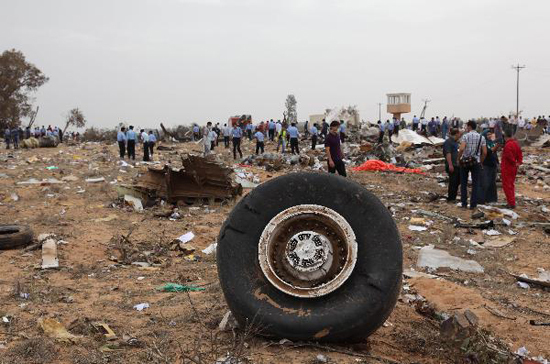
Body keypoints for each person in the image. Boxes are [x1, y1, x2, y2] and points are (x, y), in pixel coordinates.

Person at [458, 120, 487, 209]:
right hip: (476, 162)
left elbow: (462, 148)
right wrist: (480, 161)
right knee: (475, 184)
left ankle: (464, 204)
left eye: (467, 126)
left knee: (463, 183)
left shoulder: (465, 136)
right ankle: (473, 205)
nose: (466, 128)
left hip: (465, 162)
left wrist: (459, 158)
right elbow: (485, 152)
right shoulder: (481, 137)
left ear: (470, 127)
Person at [501, 129, 523, 209]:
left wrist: (514, 162)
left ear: (505, 137)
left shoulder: (508, 145)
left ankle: (511, 203)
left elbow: (509, 157)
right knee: (511, 185)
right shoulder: (516, 144)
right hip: (513, 168)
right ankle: (511, 202)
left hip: (507, 168)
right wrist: (518, 163)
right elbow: (520, 154)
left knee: (507, 185)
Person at [478, 130, 499, 204]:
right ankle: (481, 200)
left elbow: (494, 154)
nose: (489, 136)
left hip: (493, 165)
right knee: (484, 183)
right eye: (488, 135)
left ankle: (491, 199)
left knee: (492, 183)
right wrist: (496, 147)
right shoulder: (483, 143)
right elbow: (488, 152)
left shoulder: (492, 143)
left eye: (490, 134)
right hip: (486, 165)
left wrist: (497, 163)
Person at [443, 128, 461, 202]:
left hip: (457, 165)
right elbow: (448, 153)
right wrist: (450, 165)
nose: (460, 135)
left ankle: (453, 197)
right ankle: (451, 198)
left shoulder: (455, 142)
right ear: (456, 134)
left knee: (457, 181)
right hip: (452, 165)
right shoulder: (448, 142)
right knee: (453, 182)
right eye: (459, 134)